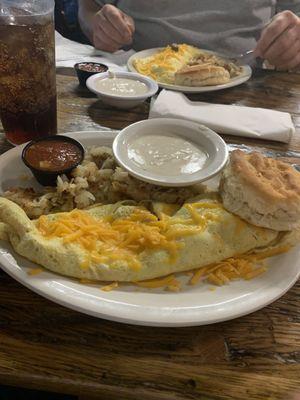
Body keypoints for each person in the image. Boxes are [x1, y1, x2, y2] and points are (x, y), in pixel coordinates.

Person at [78, 0, 300, 70]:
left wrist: (294, 39)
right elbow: (89, 9)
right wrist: (101, 28)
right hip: (136, 82)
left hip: (251, 90)